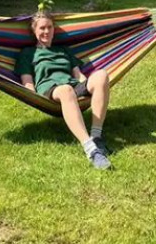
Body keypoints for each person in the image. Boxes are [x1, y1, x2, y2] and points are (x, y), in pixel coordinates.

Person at [14, 9, 113, 170]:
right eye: (42, 28)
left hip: (72, 85)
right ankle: (91, 149)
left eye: (50, 27)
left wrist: (89, 89)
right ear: (34, 30)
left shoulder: (63, 50)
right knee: (66, 90)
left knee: (101, 75)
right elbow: (28, 82)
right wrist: (33, 98)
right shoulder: (28, 53)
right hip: (49, 89)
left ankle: (96, 137)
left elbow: (78, 75)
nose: (46, 31)